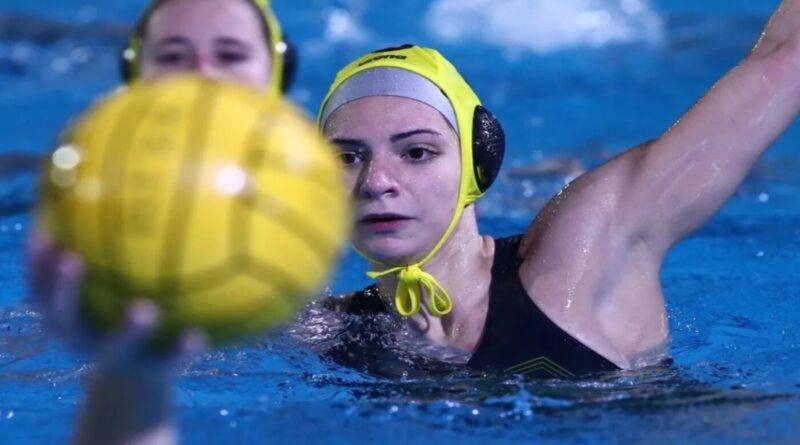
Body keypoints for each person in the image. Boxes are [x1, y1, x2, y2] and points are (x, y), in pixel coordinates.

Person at [315, 0, 800, 378]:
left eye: (418, 152)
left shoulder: (579, 254)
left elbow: (784, 59)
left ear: (479, 162)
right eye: (346, 158)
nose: (376, 182)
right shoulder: (333, 329)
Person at [29, 1, 295, 444]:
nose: (202, 76)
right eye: (173, 56)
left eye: (230, 55)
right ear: (135, 77)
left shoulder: (352, 196)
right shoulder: (68, 209)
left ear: (277, 74)